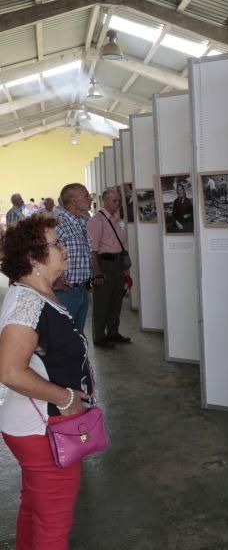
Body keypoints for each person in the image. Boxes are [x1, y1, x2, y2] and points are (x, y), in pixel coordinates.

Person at [0, 214, 93, 549]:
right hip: (44, 428)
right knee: (53, 525)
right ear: (32, 257)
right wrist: (66, 399)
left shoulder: (39, 294)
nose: (65, 249)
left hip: (38, 426)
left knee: (36, 510)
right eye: (56, 244)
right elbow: (9, 371)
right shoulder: (27, 301)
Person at [87, 188, 131, 347]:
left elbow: (123, 245)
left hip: (118, 263)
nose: (117, 204)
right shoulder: (96, 221)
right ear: (104, 201)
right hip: (104, 263)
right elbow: (93, 250)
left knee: (116, 300)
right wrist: (97, 272)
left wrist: (126, 272)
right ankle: (99, 336)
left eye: (118, 200)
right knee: (102, 301)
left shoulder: (115, 219)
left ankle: (113, 332)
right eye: (114, 201)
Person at [53, 184, 92, 333]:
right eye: (86, 195)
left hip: (82, 290)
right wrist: (54, 280)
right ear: (73, 200)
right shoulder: (59, 223)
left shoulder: (80, 221)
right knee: (64, 337)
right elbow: (43, 254)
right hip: (65, 293)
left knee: (77, 336)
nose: (89, 198)